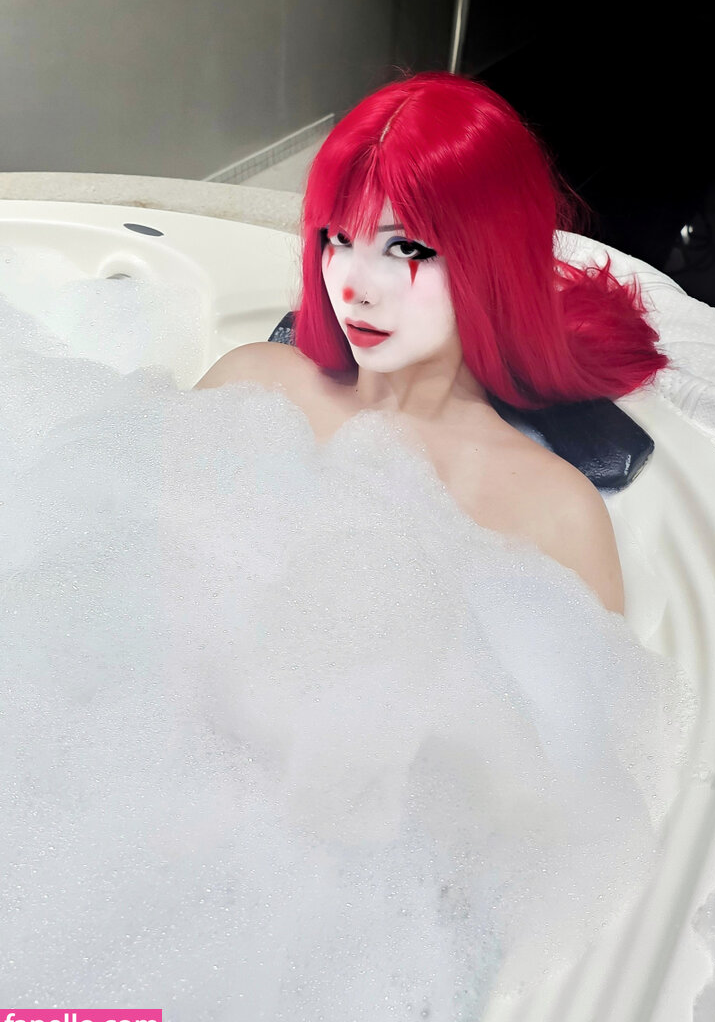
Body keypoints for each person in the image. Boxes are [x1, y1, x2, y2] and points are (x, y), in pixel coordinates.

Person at [195, 70, 671, 617]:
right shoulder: (251, 384)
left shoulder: (554, 514)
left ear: (490, 260)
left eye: (403, 249)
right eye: (340, 239)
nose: (354, 289)